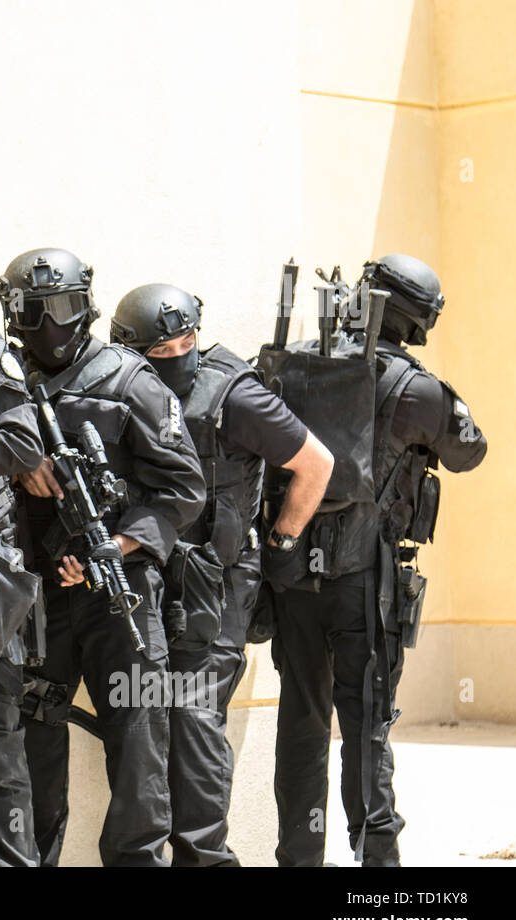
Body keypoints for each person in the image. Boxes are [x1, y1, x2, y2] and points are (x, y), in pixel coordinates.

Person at [267, 254, 486, 867]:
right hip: (364, 582)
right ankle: (379, 870)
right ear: (416, 320)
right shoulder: (414, 389)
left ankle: (300, 857)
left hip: (292, 576)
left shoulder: (300, 361)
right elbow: (471, 451)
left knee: (302, 724)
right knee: (364, 728)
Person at [109, 282, 333, 865]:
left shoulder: (234, 396)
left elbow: (316, 463)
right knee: (149, 720)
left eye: (186, 343)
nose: (177, 356)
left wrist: (281, 538)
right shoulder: (121, 386)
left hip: (214, 587)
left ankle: (207, 859)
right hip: (146, 578)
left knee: (196, 722)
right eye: (161, 351)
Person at [5, 248, 206, 867]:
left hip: (118, 592)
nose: (50, 325)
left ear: (87, 305)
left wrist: (114, 547)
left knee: (138, 746)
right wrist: (19, 459)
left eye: (63, 308)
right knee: (33, 752)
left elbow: (185, 487)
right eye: (34, 312)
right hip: (33, 595)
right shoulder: (2, 378)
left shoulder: (128, 379)